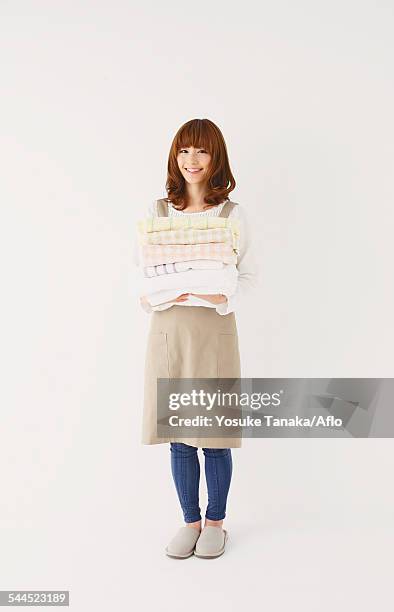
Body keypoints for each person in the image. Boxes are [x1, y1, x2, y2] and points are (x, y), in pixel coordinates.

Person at [135, 118, 258, 558]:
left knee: (215, 437)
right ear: (175, 156)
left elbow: (249, 277)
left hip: (215, 331)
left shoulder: (232, 215)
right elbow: (144, 276)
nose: (192, 160)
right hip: (169, 332)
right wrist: (163, 293)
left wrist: (216, 294)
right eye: (184, 151)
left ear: (216, 157)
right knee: (182, 437)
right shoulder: (158, 214)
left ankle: (216, 524)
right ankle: (189, 521)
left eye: (202, 151)